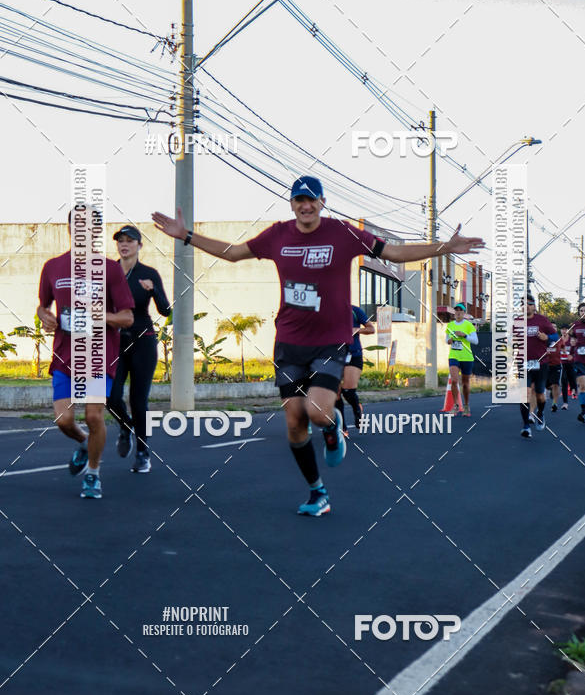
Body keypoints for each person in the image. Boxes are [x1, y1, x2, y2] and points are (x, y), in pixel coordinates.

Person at [152, 175, 485, 516]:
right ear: (293, 204)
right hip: (289, 343)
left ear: (323, 202)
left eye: (312, 200)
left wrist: (444, 247)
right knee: (294, 423)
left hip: (330, 341)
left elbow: (395, 253)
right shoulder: (277, 235)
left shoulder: (342, 232)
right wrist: (186, 236)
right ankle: (317, 492)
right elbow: (235, 253)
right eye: (299, 200)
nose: (306, 205)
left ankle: (331, 427)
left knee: (316, 411)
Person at [37, 208, 134, 499]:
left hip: (99, 356)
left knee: (94, 416)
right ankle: (83, 443)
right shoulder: (53, 267)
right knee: (64, 420)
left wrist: (99, 315)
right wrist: (45, 316)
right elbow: (43, 305)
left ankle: (93, 473)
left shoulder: (110, 269)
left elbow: (127, 317)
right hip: (65, 356)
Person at [107, 225, 171, 473]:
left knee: (138, 400)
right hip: (115, 342)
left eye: (129, 241)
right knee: (110, 397)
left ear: (139, 245)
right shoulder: (108, 273)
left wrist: (153, 291)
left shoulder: (149, 273)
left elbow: (166, 310)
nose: (124, 245)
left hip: (143, 341)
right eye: (120, 241)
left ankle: (143, 452)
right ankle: (126, 427)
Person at [335, 305, 375, 435]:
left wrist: (357, 330)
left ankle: (357, 409)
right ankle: (342, 427)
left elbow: (371, 328)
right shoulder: (325, 310)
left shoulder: (354, 310)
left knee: (348, 391)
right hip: (333, 356)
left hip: (353, 354)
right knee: (335, 394)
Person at [519, 294, 555, 438]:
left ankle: (540, 413)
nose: (526, 306)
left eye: (529, 303)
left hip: (541, 362)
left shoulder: (543, 320)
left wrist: (547, 338)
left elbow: (555, 337)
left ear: (534, 306)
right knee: (525, 394)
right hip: (523, 363)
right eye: (523, 303)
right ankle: (526, 426)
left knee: (540, 393)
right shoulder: (517, 321)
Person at [445, 302, 478, 417]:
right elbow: (447, 339)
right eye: (456, 310)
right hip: (454, 355)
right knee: (454, 380)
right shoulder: (450, 325)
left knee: (465, 383)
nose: (458, 312)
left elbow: (475, 341)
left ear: (464, 313)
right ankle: (455, 405)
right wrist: (449, 341)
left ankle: (466, 405)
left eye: (460, 310)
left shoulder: (468, 325)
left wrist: (464, 335)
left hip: (467, 357)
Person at [545, 323, 562, 412]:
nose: (553, 328)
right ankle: (550, 389)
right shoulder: (545, 338)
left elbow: (564, 349)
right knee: (547, 385)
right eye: (552, 326)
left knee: (555, 384)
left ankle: (554, 403)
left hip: (556, 365)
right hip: (545, 365)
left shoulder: (559, 338)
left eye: (555, 326)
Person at [559, 324, 577, 409]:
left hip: (571, 363)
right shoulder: (558, 340)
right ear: (560, 330)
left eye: (565, 329)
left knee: (572, 379)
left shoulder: (572, 340)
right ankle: (565, 403)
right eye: (562, 329)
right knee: (564, 381)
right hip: (562, 363)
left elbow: (575, 351)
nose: (564, 331)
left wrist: (572, 356)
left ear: (568, 330)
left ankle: (574, 391)